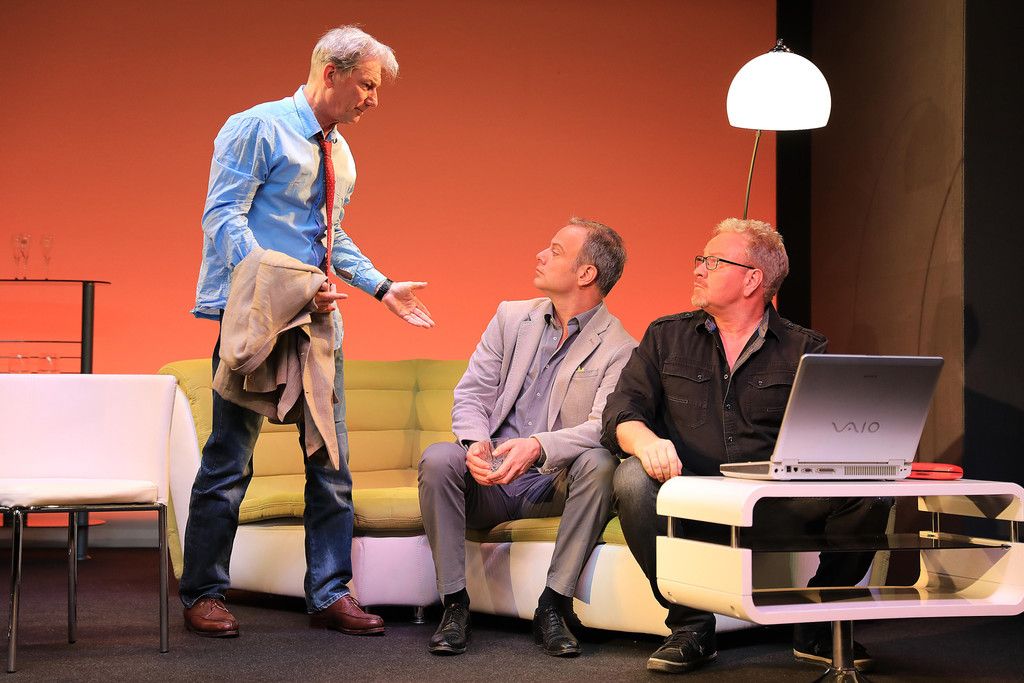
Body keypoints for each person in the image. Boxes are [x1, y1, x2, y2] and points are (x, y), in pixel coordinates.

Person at [181, 25, 434, 638]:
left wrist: (381, 286)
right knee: (229, 459)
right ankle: (203, 593)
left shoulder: (340, 153)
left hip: (317, 323)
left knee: (330, 463)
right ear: (330, 73)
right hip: (256, 318)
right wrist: (284, 284)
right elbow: (223, 218)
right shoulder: (257, 127)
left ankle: (329, 593)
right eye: (367, 85)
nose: (373, 99)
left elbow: (329, 235)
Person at [602, 218, 892, 674]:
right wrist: (646, 441)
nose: (698, 269)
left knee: (871, 492)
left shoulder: (804, 348)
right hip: (691, 499)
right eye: (700, 259)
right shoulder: (666, 336)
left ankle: (816, 624)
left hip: (773, 505)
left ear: (753, 279)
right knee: (632, 478)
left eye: (713, 261)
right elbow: (621, 410)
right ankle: (691, 627)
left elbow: (832, 438)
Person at [418, 218, 637, 657]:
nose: (540, 255)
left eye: (555, 250)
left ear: (586, 273)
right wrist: (474, 443)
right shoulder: (511, 317)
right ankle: (454, 605)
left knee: (600, 463)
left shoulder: (621, 347)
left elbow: (602, 426)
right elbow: (472, 393)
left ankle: (553, 605)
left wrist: (538, 447)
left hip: (551, 483)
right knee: (439, 458)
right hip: (490, 479)